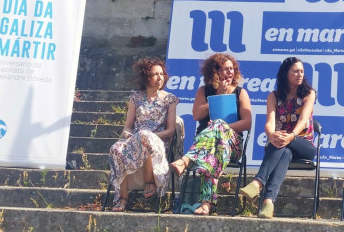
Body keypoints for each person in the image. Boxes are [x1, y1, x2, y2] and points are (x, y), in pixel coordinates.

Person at [169, 53, 252, 215]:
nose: (229, 72)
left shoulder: (240, 92)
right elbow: (197, 115)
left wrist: (221, 127)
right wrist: (217, 95)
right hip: (207, 149)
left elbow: (247, 123)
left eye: (231, 69)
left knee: (218, 124)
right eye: (224, 69)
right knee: (211, 157)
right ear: (214, 71)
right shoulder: (204, 91)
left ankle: (186, 159)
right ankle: (207, 203)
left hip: (232, 146)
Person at [238, 56, 316, 219]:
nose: (300, 74)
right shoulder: (274, 96)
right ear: (285, 74)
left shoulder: (309, 93)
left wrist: (291, 136)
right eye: (295, 71)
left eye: (302, 71)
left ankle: (257, 183)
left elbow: (303, 120)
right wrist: (271, 134)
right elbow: (269, 123)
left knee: (284, 143)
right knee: (284, 150)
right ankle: (268, 202)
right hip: (282, 144)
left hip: (304, 144)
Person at [108, 57, 178, 212]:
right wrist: (132, 137)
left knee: (145, 138)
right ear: (146, 77)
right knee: (116, 149)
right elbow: (127, 128)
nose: (160, 77)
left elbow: (171, 130)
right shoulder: (135, 98)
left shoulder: (169, 99)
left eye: (162, 74)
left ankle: (150, 182)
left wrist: (148, 136)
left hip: (158, 141)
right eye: (155, 74)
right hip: (135, 140)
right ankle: (122, 198)